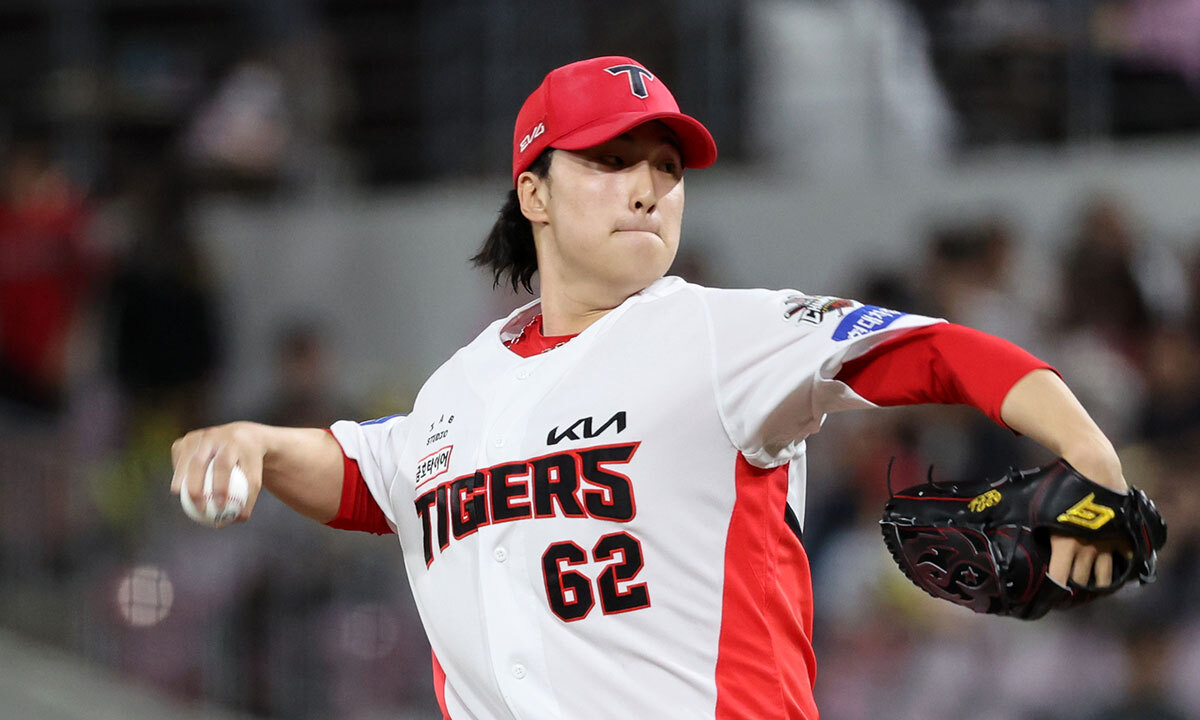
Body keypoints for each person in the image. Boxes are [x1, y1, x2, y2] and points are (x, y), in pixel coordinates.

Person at [171, 56, 1132, 720]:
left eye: (666, 168)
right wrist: (252, 443)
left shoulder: (720, 334)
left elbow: (942, 352)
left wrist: (1092, 456)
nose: (647, 187)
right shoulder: (460, 390)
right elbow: (361, 474)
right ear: (534, 193)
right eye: (609, 161)